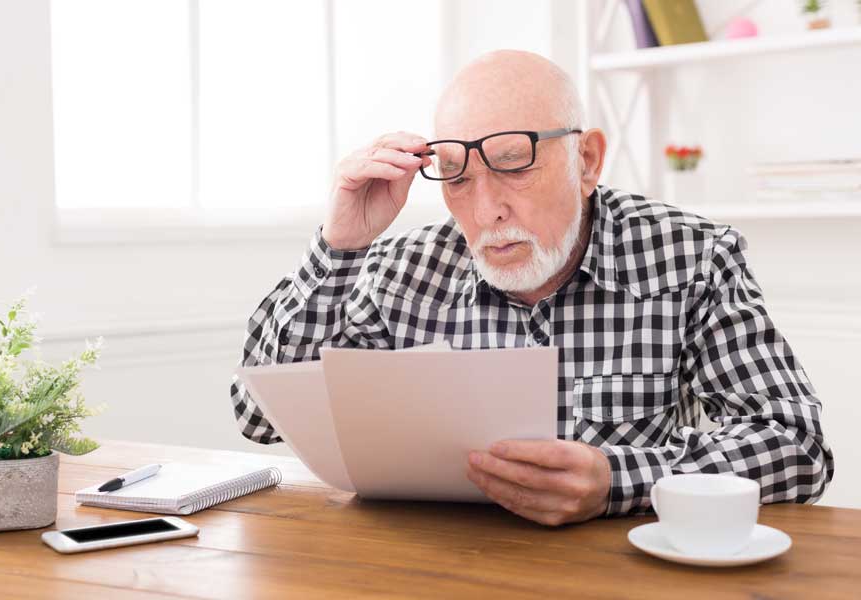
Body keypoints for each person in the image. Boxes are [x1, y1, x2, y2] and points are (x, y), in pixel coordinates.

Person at [229, 50, 834, 526]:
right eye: (457, 176)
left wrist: (619, 481)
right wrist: (340, 247)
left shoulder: (691, 257)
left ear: (588, 161)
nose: (487, 208)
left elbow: (797, 446)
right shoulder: (396, 268)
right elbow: (258, 417)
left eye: (514, 162)